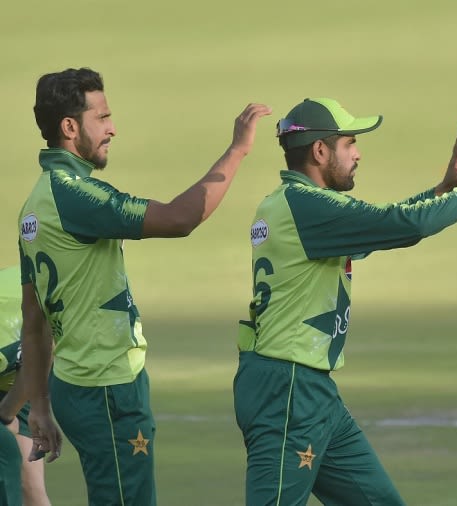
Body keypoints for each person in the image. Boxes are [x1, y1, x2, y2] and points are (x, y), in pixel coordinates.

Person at [232, 97, 457, 505]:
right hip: (288, 389)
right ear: (320, 150)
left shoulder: (287, 203)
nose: (358, 153)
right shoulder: (309, 207)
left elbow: (380, 224)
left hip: (310, 389)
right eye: (350, 143)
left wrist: (439, 192)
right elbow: (403, 225)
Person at [18, 67, 271, 505]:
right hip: (107, 388)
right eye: (103, 117)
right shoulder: (75, 197)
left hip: (75, 385)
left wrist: (39, 406)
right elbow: (179, 218)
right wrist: (238, 150)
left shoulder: (34, 206)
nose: (113, 128)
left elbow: (34, 319)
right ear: (69, 127)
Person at [0, 265, 51, 506]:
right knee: (7, 455)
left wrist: (7, 413)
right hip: (11, 364)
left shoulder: (49, 290)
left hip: (16, 378)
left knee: (31, 488)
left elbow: (37, 363)